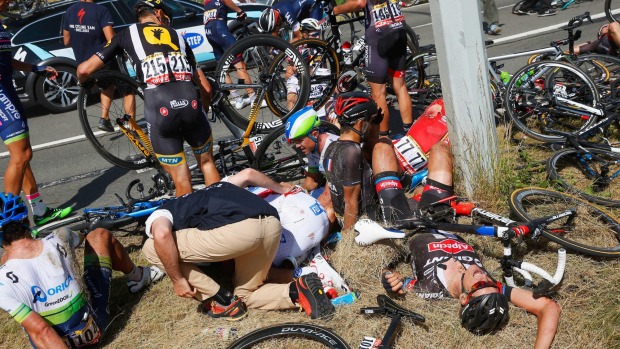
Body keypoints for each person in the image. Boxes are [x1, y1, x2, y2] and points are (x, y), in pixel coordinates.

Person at [380, 149, 561, 348]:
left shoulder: (430, 289)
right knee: (440, 150)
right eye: (490, 282)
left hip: (404, 222)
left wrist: (390, 278)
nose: (484, 277)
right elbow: (547, 306)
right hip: (439, 217)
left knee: (382, 148)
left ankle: (409, 189)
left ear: (464, 297)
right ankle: (412, 186)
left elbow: (389, 274)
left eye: (480, 285)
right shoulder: (490, 287)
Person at [77, 0, 220, 197]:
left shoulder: (125, 34)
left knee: (181, 178)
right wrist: (202, 111)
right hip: (190, 101)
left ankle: (192, 222)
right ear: (159, 13)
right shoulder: (177, 35)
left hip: (159, 106)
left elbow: (83, 70)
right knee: (207, 163)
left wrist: (85, 82)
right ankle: (224, 211)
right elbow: (205, 87)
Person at [142, 181, 336, 320]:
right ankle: (297, 290)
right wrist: (280, 187)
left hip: (242, 232)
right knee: (246, 294)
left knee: (151, 248)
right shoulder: (216, 187)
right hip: (272, 223)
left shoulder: (162, 211)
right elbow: (249, 173)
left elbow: (161, 236)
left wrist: (177, 279)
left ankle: (221, 300)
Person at [0, 193, 164, 348]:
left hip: (51, 343)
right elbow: (84, 237)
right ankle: (137, 277)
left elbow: (42, 331)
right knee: (99, 235)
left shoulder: (3, 280)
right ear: (27, 221)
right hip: (94, 327)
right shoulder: (60, 236)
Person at [0, 0, 73, 226]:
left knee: (22, 154)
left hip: (7, 90)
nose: (11, 2)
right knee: (21, 156)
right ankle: (9, 222)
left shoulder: (2, 24)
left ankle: (39, 210)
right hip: (1, 94)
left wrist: (35, 68)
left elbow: (6, 60)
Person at [223, 168, 350, 295]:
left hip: (296, 227)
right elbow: (248, 174)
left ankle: (307, 273)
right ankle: (306, 252)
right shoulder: (248, 187)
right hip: (318, 214)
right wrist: (281, 188)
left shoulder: (221, 201)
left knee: (249, 272)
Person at [323, 91, 412, 230]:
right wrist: (348, 241)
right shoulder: (352, 152)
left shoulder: (332, 147)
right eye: (370, 121)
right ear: (360, 123)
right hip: (367, 221)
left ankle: (404, 181)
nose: (371, 124)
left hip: (341, 216)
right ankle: (404, 185)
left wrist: (375, 125)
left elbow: (371, 143)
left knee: (381, 142)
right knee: (419, 193)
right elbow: (351, 203)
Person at [332, 0, 413, 137]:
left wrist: (335, 10)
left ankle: (383, 138)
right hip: (399, 28)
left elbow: (359, 3)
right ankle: (410, 133)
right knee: (400, 86)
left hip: (380, 35)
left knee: (378, 94)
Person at [63, 0, 134, 133]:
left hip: (84, 61)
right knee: (127, 89)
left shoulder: (70, 10)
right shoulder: (101, 10)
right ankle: (132, 126)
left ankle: (104, 119)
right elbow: (111, 39)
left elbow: (66, 41)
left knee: (106, 86)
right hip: (103, 58)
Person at [204, 0, 266, 110]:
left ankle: (237, 99)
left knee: (223, 68)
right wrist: (239, 11)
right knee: (239, 64)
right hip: (219, 28)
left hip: (209, 31)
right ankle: (253, 99)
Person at [258, 0, 323, 42]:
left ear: (277, 21)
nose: (274, 32)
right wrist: (274, 47)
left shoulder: (287, 14)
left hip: (313, 5)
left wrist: (284, 48)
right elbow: (274, 34)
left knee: (313, 38)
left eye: (274, 29)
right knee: (303, 36)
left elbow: (299, 37)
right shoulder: (273, 12)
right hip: (300, 11)